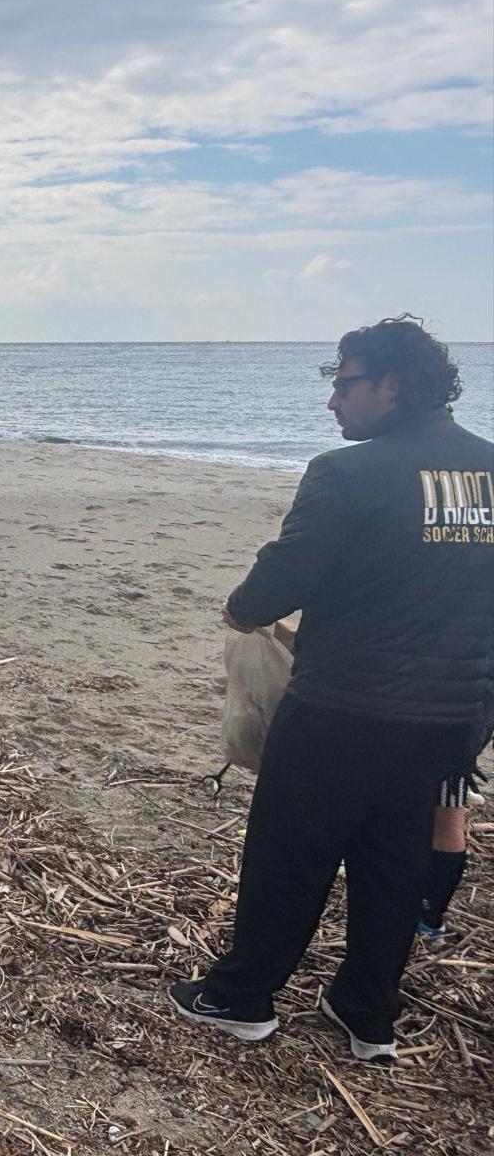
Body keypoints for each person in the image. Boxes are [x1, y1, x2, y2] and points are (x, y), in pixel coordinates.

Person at [168, 314, 494, 1063]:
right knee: (394, 867)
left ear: (392, 385)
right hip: (449, 721)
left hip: (344, 707)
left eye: (345, 385)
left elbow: (286, 574)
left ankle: (240, 998)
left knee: (290, 855)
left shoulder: (347, 473)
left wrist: (241, 610)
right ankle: (367, 1012)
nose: (333, 402)